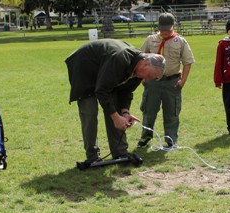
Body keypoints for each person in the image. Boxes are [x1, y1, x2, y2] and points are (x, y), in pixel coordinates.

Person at [66, 39, 165, 168]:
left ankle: (120, 153)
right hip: (84, 67)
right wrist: (115, 117)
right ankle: (92, 156)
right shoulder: (120, 59)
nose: (147, 79)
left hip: (106, 72)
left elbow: (126, 92)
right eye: (150, 76)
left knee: (116, 111)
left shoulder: (139, 72)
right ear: (145, 64)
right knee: (89, 113)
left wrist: (124, 113)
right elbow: (101, 90)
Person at [135, 13, 195, 148]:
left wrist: (183, 81)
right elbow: (139, 58)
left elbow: (188, 61)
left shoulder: (180, 41)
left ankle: (171, 140)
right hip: (153, 82)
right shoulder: (151, 40)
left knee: (172, 113)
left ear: (173, 26)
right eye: (162, 29)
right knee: (148, 112)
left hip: (172, 82)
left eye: (168, 29)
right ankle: (145, 137)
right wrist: (143, 78)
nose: (165, 32)